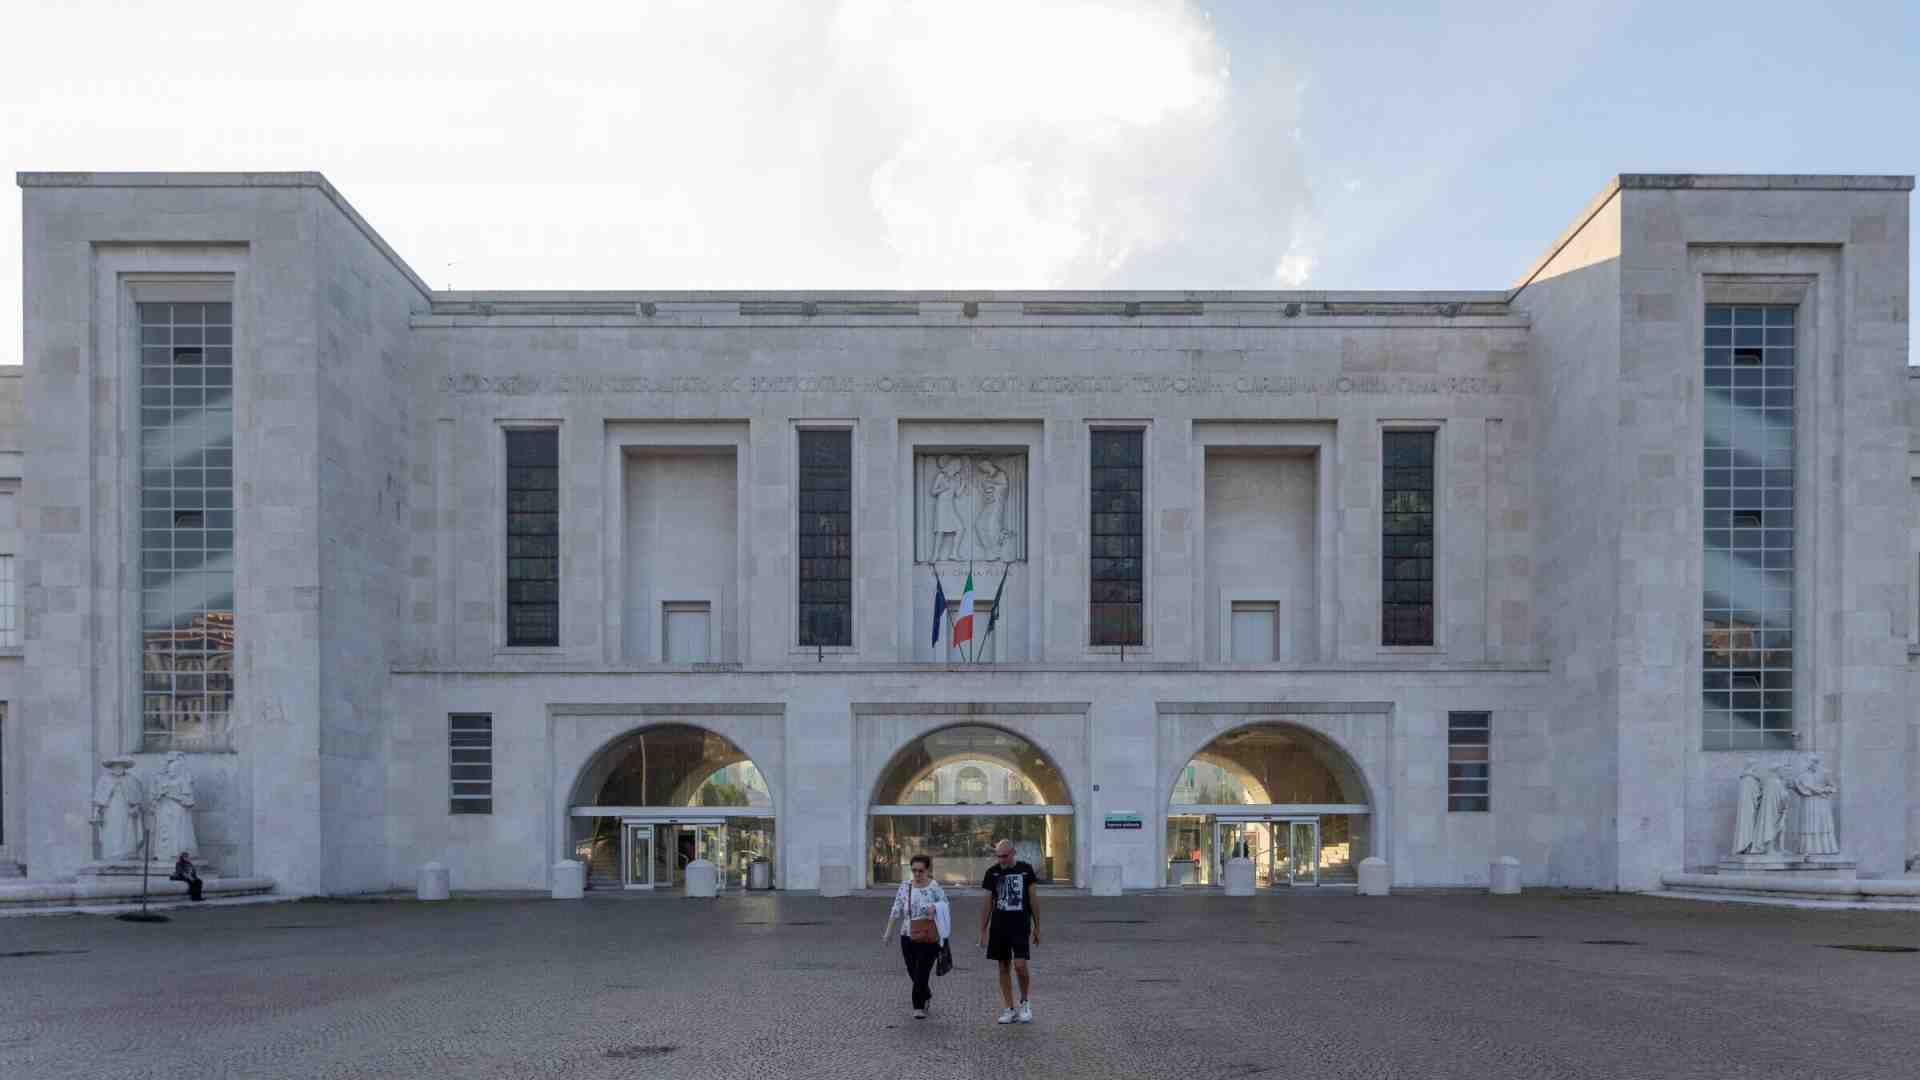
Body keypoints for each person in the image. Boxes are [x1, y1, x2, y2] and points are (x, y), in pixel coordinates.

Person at [882, 854, 951, 1019]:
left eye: (921, 871)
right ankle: (926, 994)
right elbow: (896, 908)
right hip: (907, 935)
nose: (917, 874)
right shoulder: (905, 886)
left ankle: (918, 1006)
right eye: (914, 871)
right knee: (912, 970)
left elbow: (945, 905)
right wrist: (888, 931)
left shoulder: (934, 886)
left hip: (928, 936)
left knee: (921, 972)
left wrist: (935, 907)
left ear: (928, 870)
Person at [979, 838, 1040, 1024]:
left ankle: (1025, 1002)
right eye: (998, 856)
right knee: (1003, 966)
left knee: (1020, 965)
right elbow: (988, 903)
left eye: (1004, 856)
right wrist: (983, 930)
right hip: (999, 927)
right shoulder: (992, 873)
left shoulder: (1025, 870)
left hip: (1020, 925)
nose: (1001, 860)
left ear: (1013, 853)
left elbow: (1033, 900)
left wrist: (1037, 927)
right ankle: (1009, 1008)